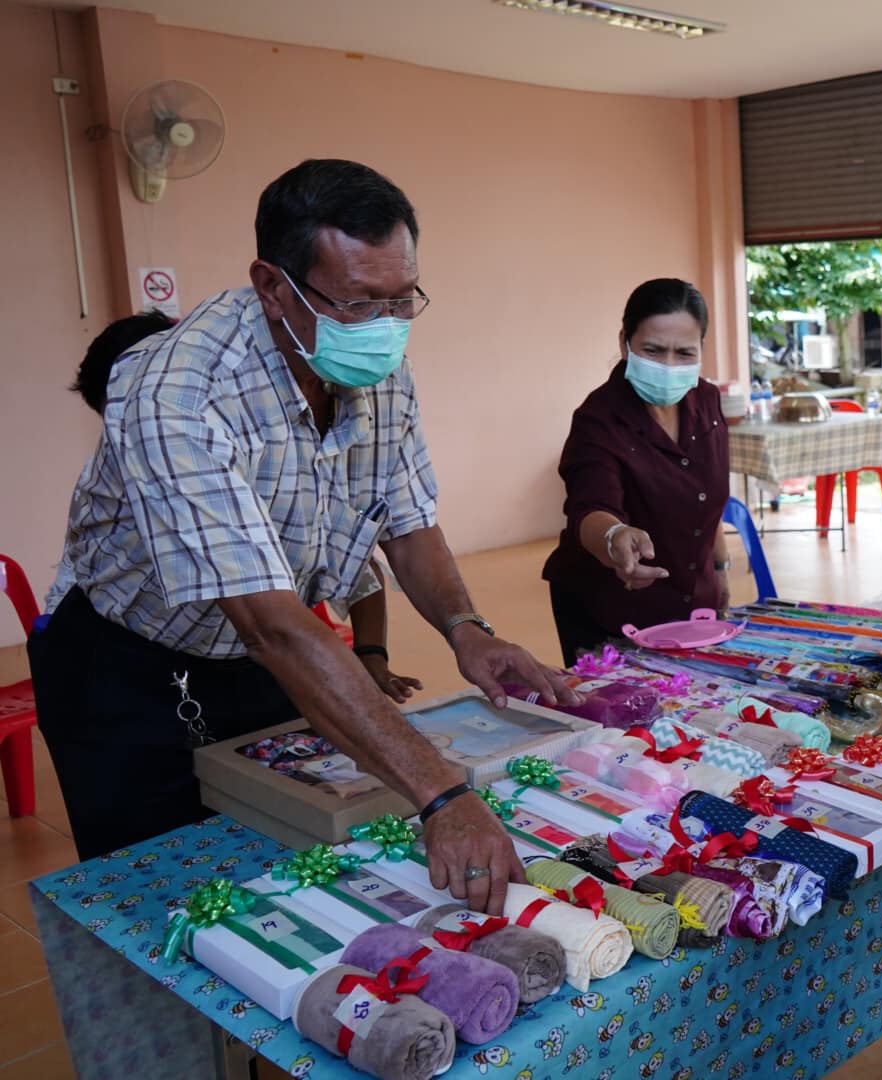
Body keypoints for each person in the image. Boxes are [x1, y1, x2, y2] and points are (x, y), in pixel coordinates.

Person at [29, 159, 574, 919]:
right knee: (159, 899)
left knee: (285, 870)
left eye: (402, 298)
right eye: (357, 302)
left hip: (250, 657)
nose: (384, 326)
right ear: (273, 285)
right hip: (128, 668)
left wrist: (465, 629)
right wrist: (442, 792)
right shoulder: (175, 391)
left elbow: (408, 520)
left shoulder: (375, 362)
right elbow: (273, 626)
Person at [51, 312, 423, 703]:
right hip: (135, 661)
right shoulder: (120, 497)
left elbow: (359, 566)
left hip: (244, 657)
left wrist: (370, 654)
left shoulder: (262, 452)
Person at [542, 279, 732, 666]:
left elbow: (707, 498)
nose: (668, 366)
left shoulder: (707, 400)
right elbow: (590, 507)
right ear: (624, 344)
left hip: (694, 601)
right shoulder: (599, 418)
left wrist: (719, 569)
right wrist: (615, 539)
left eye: (684, 353)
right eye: (653, 350)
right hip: (610, 610)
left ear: (701, 351)